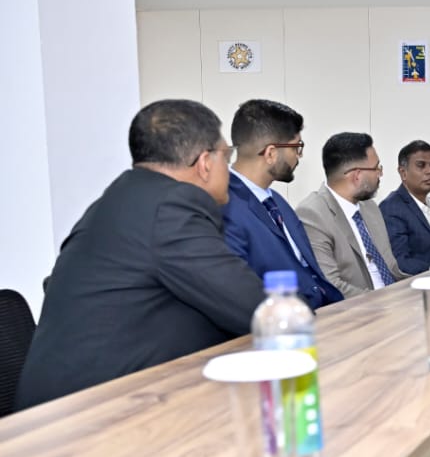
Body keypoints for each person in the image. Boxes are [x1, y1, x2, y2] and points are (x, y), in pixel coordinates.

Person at [15, 100, 264, 409]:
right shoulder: (172, 207)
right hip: (90, 415)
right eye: (226, 156)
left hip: (67, 406)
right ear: (204, 163)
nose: (228, 168)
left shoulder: (124, 198)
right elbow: (255, 309)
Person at [222, 99, 342, 310]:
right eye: (296, 147)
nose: (299, 156)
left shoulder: (277, 202)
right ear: (271, 153)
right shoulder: (225, 206)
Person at [296, 132, 408, 298]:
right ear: (357, 176)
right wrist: (384, 301)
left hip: (394, 299)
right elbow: (332, 286)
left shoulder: (370, 207)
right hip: (362, 307)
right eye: (376, 168)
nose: (380, 173)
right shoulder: (312, 214)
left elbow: (392, 270)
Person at [380, 140, 430, 275]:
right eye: (421, 165)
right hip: (426, 283)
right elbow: (400, 262)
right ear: (403, 172)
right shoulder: (392, 208)